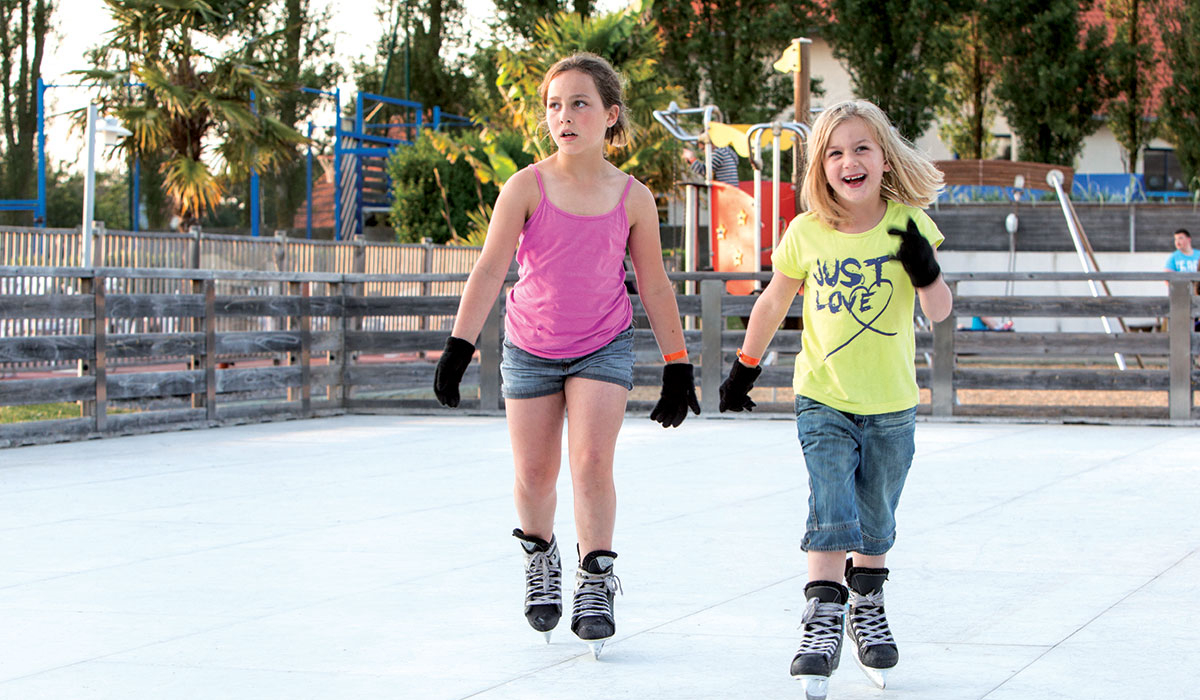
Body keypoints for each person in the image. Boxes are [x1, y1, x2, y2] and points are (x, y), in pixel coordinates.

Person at [432, 53, 699, 658]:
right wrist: (459, 344)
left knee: (590, 465)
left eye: (580, 103)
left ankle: (596, 579)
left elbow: (654, 284)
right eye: (555, 105)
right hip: (529, 345)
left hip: (602, 344)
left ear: (610, 116)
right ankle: (540, 554)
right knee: (533, 474)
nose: (565, 115)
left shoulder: (633, 198)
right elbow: (491, 266)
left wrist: (677, 364)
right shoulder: (524, 186)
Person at [718, 100, 952, 697]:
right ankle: (823, 615)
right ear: (820, 165)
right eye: (835, 152)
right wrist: (745, 366)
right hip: (822, 395)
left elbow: (941, 312)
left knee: (875, 514)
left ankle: (866, 606)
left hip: (893, 403)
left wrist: (926, 272)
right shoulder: (808, 231)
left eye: (861, 148)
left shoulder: (908, 224)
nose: (849, 161)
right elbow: (772, 302)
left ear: (884, 157)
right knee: (831, 499)